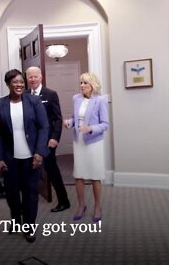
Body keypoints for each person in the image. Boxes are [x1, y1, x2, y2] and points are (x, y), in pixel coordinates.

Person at [0, 69, 49, 243]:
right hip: (10, 158)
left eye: (21, 82)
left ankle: (29, 226)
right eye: (15, 82)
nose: (19, 85)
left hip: (31, 157)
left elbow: (44, 127)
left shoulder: (34, 101)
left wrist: (40, 152)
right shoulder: (0, 104)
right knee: (11, 193)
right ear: (8, 84)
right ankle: (16, 220)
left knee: (30, 193)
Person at [63, 72, 109, 223]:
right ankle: (81, 205)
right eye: (81, 83)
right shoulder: (76, 99)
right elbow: (76, 119)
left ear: (92, 85)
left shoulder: (100, 100)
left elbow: (105, 124)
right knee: (79, 174)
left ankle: (97, 207)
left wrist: (91, 128)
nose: (82, 86)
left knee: (95, 176)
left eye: (85, 83)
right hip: (79, 142)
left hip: (94, 142)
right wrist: (69, 122)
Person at [25, 66, 70, 212]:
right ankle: (32, 200)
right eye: (30, 77)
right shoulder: (24, 94)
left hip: (48, 139)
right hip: (31, 140)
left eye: (35, 76)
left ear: (41, 77)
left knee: (51, 169)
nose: (32, 79)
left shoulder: (50, 94)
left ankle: (64, 201)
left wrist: (55, 138)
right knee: (31, 168)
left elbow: (57, 118)